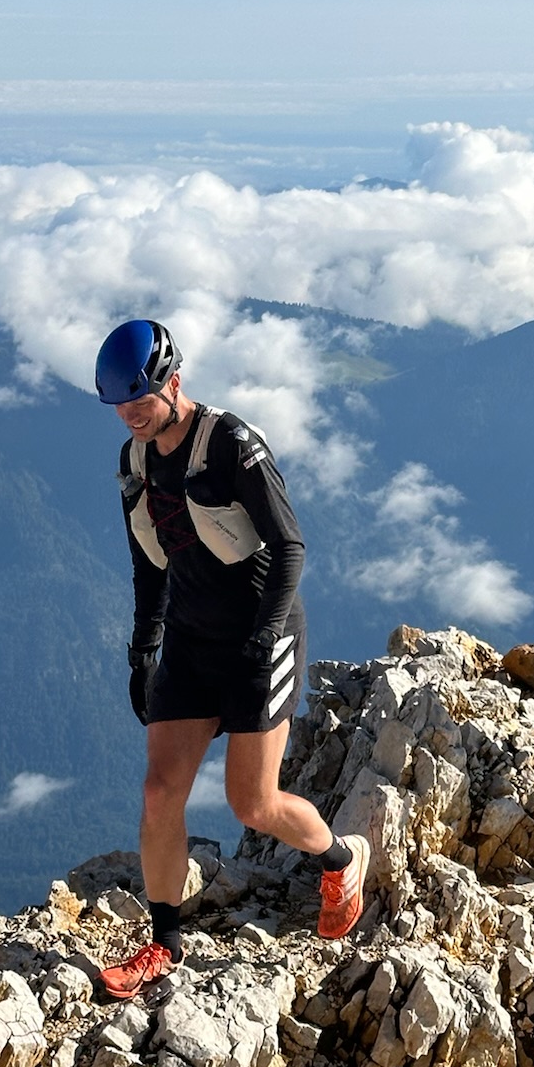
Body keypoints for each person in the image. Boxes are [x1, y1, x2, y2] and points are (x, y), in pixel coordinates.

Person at [93, 318, 370, 999]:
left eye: (142, 399)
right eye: (120, 405)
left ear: (174, 381)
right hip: (190, 640)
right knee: (160, 794)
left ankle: (341, 859)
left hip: (261, 635)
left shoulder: (231, 445)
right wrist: (143, 648)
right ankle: (162, 944)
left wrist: (263, 634)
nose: (131, 415)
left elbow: (291, 547)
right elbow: (148, 565)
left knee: (253, 803)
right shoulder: (135, 463)